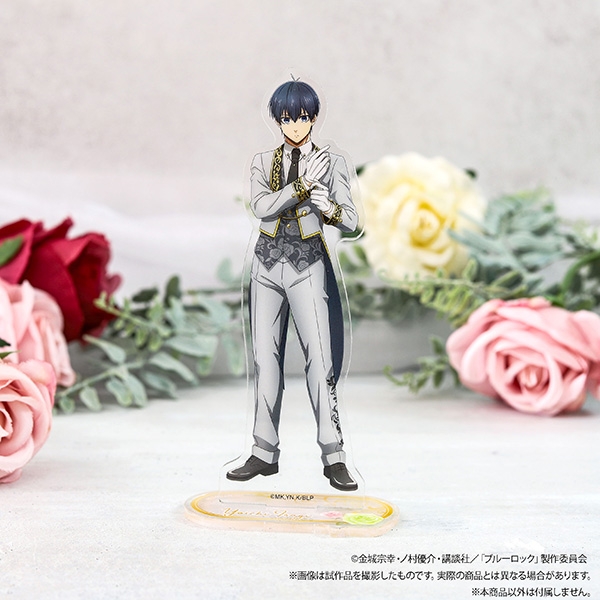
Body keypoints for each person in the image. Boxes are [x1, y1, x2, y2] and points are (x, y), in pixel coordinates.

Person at [226, 80, 359, 491]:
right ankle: (263, 452)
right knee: (265, 361)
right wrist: (300, 188)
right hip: (266, 265)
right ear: (277, 120)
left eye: (302, 117)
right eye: (287, 118)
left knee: (321, 360)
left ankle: (333, 455)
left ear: (314, 117)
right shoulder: (262, 161)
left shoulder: (331, 162)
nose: (295, 125)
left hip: (308, 264)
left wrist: (329, 207)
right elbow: (261, 207)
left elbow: (353, 221)